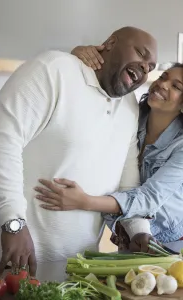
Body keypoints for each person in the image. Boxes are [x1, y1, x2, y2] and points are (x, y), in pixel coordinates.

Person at [0, 26, 157, 276]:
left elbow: (127, 181)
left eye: (151, 66)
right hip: (16, 252)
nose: (145, 67)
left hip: (80, 263)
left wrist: (137, 229)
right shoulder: (54, 69)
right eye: (141, 53)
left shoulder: (129, 107)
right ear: (110, 42)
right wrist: (13, 224)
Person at [35, 49, 183, 253]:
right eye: (164, 77)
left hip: (169, 242)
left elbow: (148, 198)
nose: (163, 84)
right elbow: (103, 85)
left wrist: (85, 202)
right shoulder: (131, 115)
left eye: (176, 87)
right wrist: (84, 57)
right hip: (131, 233)